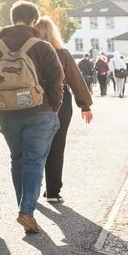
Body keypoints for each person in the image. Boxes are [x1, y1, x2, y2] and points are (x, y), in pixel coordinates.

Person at [0, 1, 64, 235]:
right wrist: (52, 109)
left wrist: (1, 108)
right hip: (40, 112)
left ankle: (24, 207)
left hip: (8, 114)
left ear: (12, 18)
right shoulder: (42, 47)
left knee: (17, 160)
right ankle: (26, 210)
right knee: (34, 161)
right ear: (34, 21)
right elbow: (56, 81)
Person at [31, 17, 94, 205]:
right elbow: (76, 79)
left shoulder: (29, 53)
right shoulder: (62, 53)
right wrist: (85, 105)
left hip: (34, 100)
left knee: (34, 147)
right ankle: (53, 191)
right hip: (61, 101)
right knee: (57, 146)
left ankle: (32, 190)